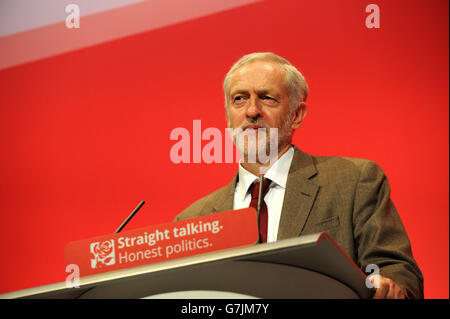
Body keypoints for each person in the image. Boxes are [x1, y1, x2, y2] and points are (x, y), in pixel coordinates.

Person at [174, 52, 423, 299]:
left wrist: (388, 286)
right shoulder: (194, 220)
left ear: (296, 115)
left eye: (267, 98)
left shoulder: (355, 181)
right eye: (239, 99)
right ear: (228, 117)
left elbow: (397, 271)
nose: (252, 111)